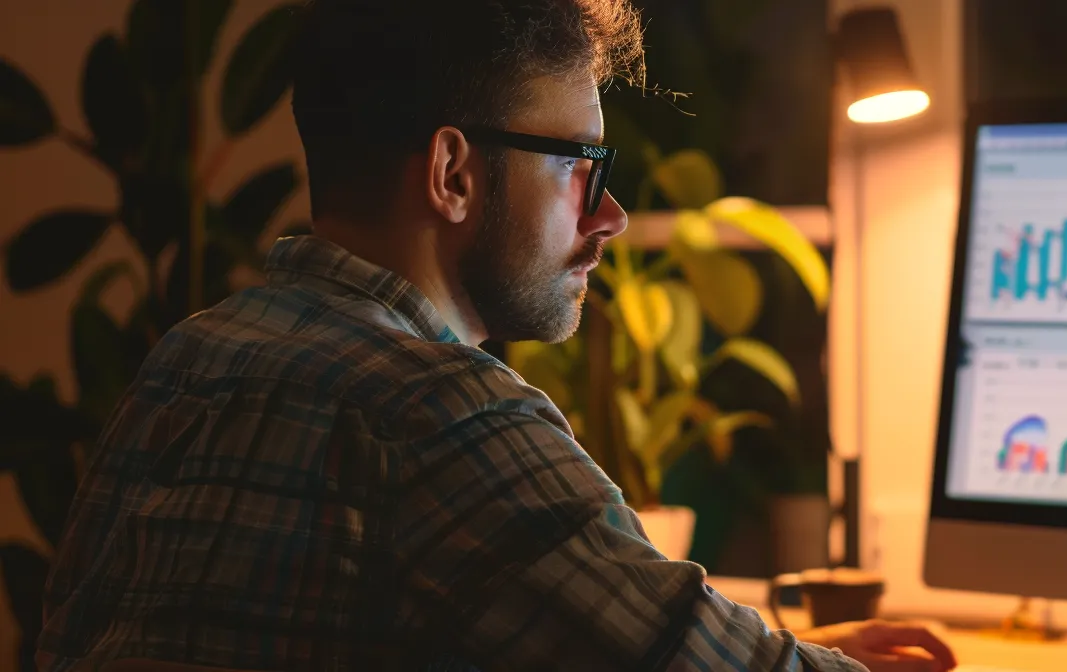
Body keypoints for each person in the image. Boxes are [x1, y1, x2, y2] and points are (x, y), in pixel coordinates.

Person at [35, 1, 957, 670]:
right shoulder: (436, 411)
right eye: (582, 167)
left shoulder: (195, 358)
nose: (613, 219)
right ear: (453, 173)